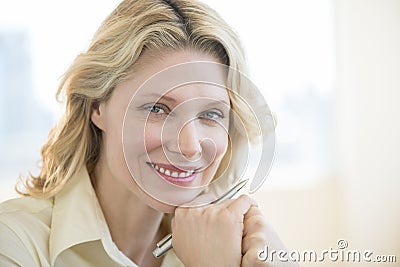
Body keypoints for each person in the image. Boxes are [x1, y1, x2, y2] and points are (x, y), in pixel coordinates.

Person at [0, 0, 297, 266]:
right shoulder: (15, 243)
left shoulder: (236, 244)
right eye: (157, 109)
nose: (190, 146)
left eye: (210, 114)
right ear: (97, 107)